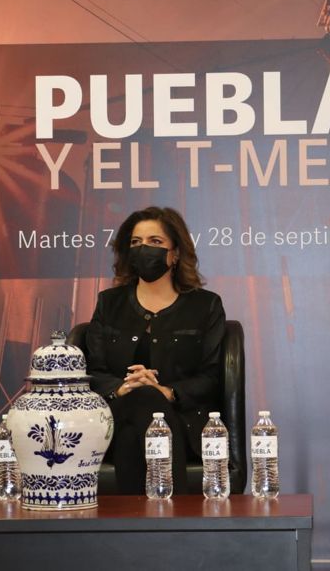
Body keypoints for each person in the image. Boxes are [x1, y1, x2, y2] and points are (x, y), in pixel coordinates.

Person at [85, 207, 226, 494]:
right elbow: (93, 372)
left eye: (155, 242)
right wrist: (123, 388)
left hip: (181, 420)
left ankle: (135, 520)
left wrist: (166, 392)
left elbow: (211, 378)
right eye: (136, 242)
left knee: (134, 429)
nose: (144, 249)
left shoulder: (205, 306)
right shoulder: (109, 303)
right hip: (115, 413)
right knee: (140, 399)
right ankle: (172, 511)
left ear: (175, 254)